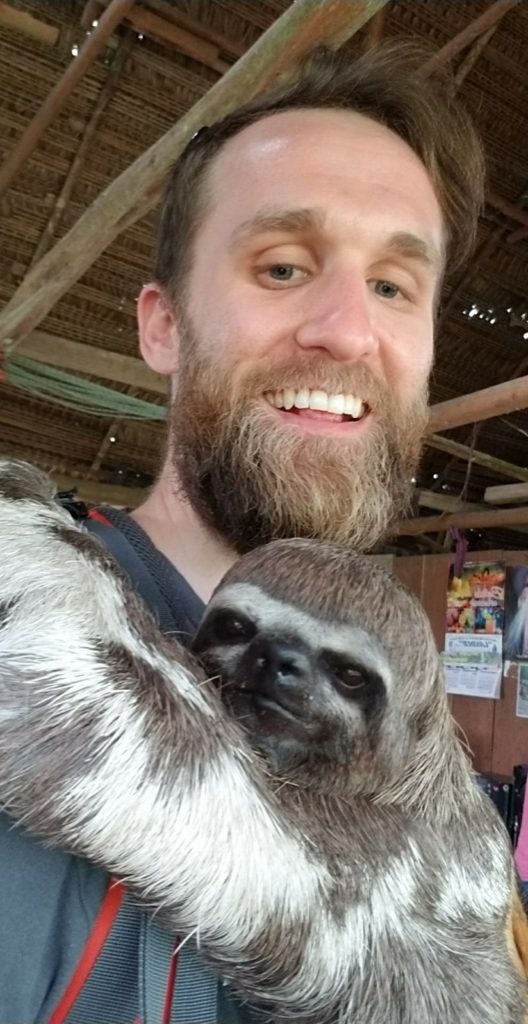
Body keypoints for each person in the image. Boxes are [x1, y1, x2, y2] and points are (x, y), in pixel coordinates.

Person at [0, 41, 485, 1023]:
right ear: (163, 325)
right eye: (283, 264)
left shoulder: (447, 823)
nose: (346, 328)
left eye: (394, 284)